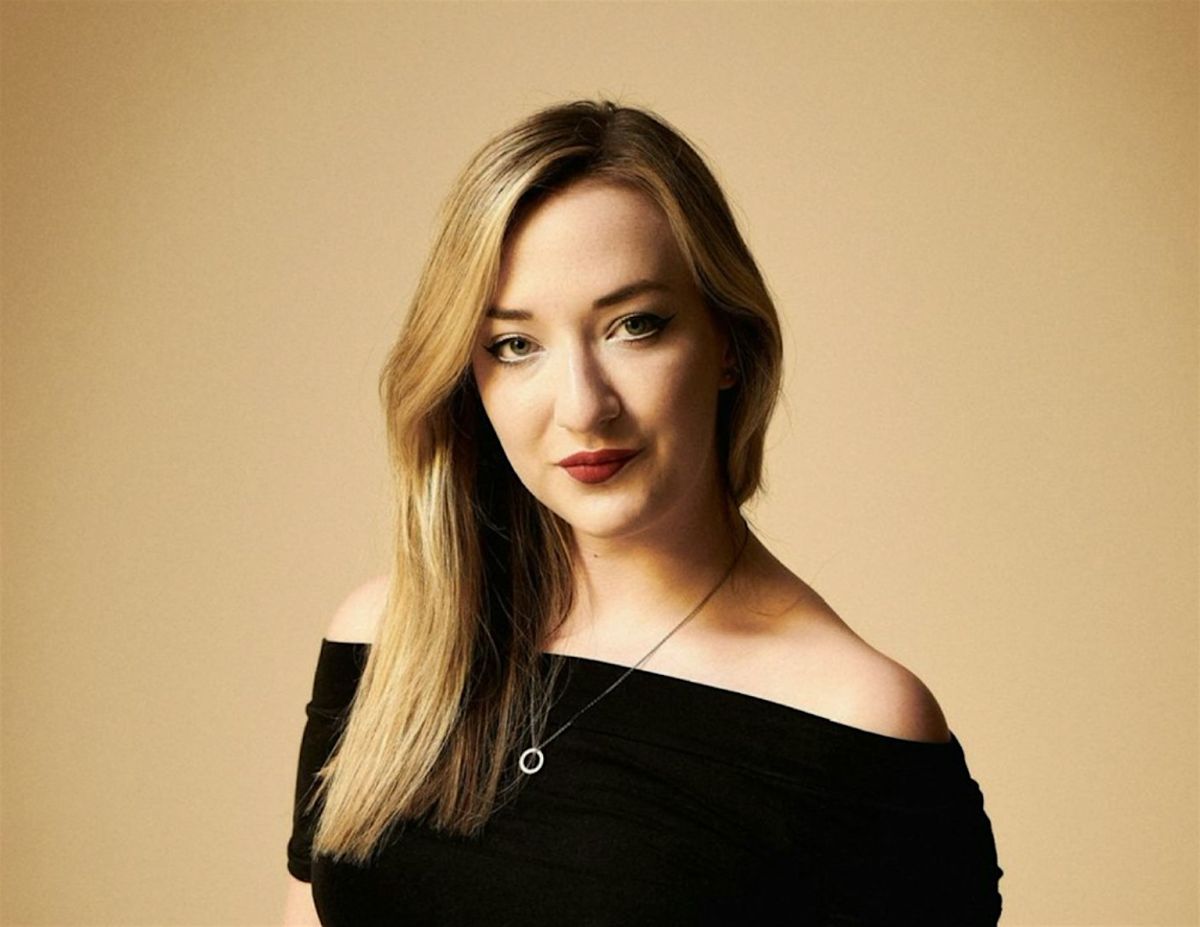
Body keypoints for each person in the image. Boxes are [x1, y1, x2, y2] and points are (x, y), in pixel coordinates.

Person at [282, 98, 1004, 926]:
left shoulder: (858, 725)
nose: (583, 406)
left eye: (634, 325)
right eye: (515, 344)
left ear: (727, 342)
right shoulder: (389, 642)